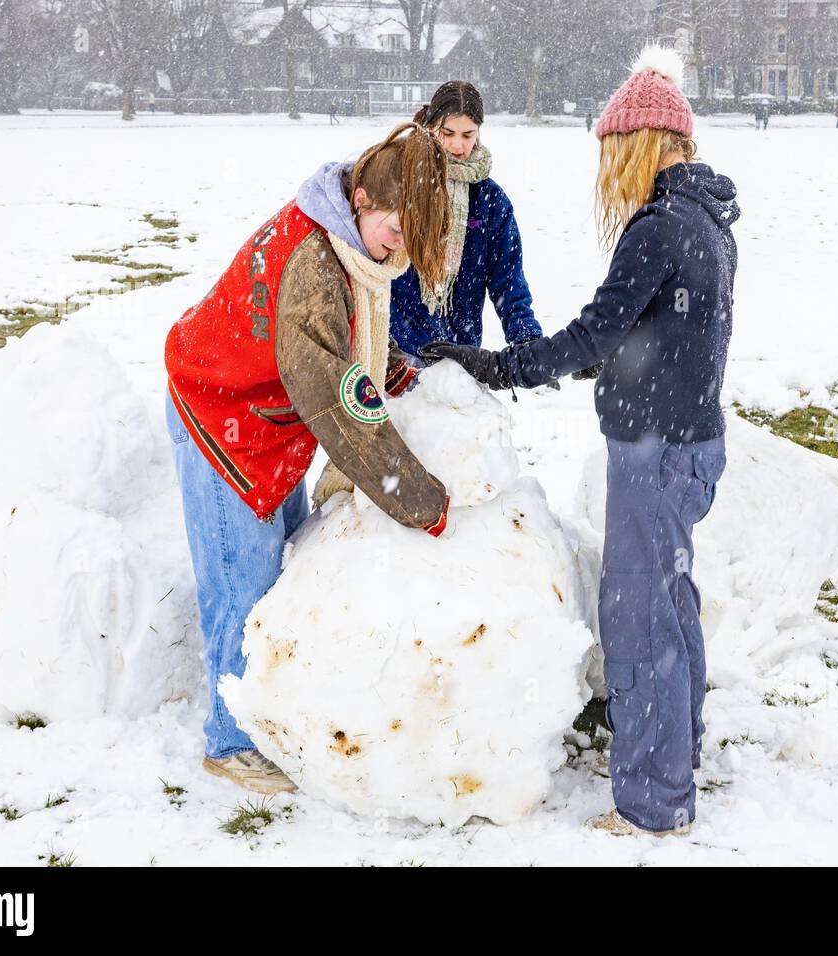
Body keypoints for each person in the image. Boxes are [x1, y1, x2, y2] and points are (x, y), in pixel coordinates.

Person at [421, 47, 738, 837]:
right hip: (694, 444)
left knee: (640, 620)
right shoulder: (708, 221)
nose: (608, 170)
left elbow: (597, 330)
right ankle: (677, 749)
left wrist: (495, 364)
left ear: (639, 143)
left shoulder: (658, 228)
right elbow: (654, 330)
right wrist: (589, 356)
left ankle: (653, 803)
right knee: (672, 601)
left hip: (653, 454)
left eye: (611, 152)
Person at [164, 123, 453, 793]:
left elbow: (346, 349)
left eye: (416, 234)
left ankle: (265, 712)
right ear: (360, 198)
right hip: (220, 413)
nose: (401, 246)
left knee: (277, 570)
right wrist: (419, 500)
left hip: (262, 414)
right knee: (244, 583)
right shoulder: (317, 264)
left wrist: (396, 376)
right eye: (395, 225)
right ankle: (229, 741)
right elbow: (336, 402)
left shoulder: (348, 246)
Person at [389, 80, 543, 359]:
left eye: (467, 134)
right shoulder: (399, 181)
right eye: (447, 133)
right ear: (430, 125)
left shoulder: (490, 200)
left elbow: (508, 280)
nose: (457, 145)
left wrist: (528, 340)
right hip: (395, 352)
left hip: (460, 353)